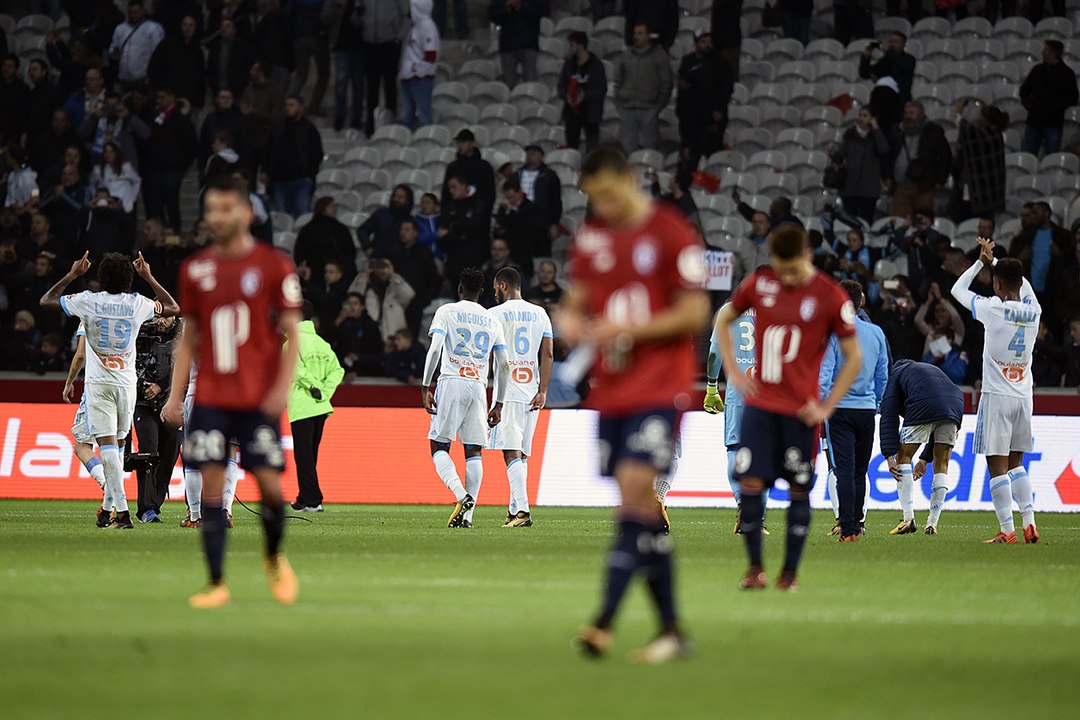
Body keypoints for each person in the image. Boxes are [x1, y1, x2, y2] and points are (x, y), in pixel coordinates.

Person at [560, 146, 709, 663]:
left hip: (660, 387)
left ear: (628, 178)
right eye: (592, 198)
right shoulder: (592, 238)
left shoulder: (671, 232)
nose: (602, 204)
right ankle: (671, 631)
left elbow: (694, 311)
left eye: (607, 193)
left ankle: (602, 622)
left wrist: (632, 329)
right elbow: (573, 304)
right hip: (611, 391)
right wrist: (570, 322)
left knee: (632, 493)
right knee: (641, 510)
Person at [161, 176, 303, 608]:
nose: (216, 218)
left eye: (225, 209)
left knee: (271, 488)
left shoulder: (276, 265)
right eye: (211, 210)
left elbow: (292, 333)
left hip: (257, 400)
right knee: (211, 490)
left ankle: (274, 557)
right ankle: (216, 582)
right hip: (209, 400)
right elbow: (189, 340)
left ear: (247, 213)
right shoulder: (194, 269)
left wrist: (281, 387)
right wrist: (174, 395)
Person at [714, 226, 861, 591]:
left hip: (800, 413)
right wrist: (732, 369)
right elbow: (723, 319)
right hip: (760, 408)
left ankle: (790, 574)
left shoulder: (830, 295)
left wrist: (828, 406)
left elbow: (853, 357)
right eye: (780, 269)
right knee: (749, 483)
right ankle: (754, 569)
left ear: (807, 256)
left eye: (792, 269)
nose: (786, 277)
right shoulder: (761, 284)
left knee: (799, 489)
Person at [39, 251, 180, 530]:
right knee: (115, 449)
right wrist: (148, 277)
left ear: (100, 278)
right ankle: (106, 510)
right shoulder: (137, 303)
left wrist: (73, 274)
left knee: (107, 449)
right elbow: (172, 307)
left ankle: (123, 514)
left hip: (100, 385)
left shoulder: (88, 301)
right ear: (130, 279)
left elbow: (46, 301)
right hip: (127, 386)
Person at [951, 239, 1041, 544]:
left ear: (998, 284)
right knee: (1017, 464)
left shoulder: (993, 308)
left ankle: (1007, 530)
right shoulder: (1035, 311)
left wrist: (982, 262)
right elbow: (1022, 285)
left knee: (997, 466)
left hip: (996, 396)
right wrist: (997, 264)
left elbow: (957, 291)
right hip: (1023, 395)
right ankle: (1029, 521)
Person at [422, 266, 509, 528]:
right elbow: (504, 364)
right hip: (479, 386)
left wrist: (426, 385)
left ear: (459, 289)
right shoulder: (492, 320)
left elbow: (436, 348)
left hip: (452, 381)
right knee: (473, 450)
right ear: (481, 292)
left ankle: (462, 497)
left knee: (438, 445)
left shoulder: (446, 311)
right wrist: (499, 403)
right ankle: (468, 518)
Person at [820, 280, 889, 541]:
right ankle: (858, 525)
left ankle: (847, 528)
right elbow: (883, 374)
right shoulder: (876, 333)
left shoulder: (834, 334)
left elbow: (824, 373)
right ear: (860, 302)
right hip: (866, 410)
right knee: (861, 471)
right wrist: (877, 400)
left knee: (844, 471)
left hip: (839, 409)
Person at [487, 267, 552, 527]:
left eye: (495, 289)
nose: (494, 293)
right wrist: (543, 390)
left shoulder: (494, 315)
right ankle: (514, 510)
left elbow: (489, 355)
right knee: (521, 454)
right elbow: (547, 355)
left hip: (508, 390)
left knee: (510, 451)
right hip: (532, 390)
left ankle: (523, 511)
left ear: (503, 285)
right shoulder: (541, 313)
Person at [704, 304, 772, 535]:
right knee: (763, 454)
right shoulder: (777, 306)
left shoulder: (729, 310)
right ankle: (758, 519)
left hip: (738, 392)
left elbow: (715, 352)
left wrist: (712, 388)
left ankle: (744, 505)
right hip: (769, 392)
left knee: (734, 448)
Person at [878, 359, 964, 535]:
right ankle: (932, 523)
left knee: (904, 457)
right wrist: (925, 459)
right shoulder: (926, 370)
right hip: (955, 403)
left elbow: (888, 416)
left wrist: (889, 455)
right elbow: (938, 411)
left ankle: (908, 518)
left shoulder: (894, 376)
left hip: (924, 401)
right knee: (942, 464)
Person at [287, 300, 345, 512]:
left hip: (302, 406)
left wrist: (313, 387)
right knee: (310, 456)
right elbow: (338, 371)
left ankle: (313, 500)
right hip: (320, 408)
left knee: (303, 457)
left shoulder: (291, 342)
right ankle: (304, 498)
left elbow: (294, 368)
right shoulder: (322, 344)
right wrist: (325, 393)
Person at [130, 312, 182, 524]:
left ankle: (155, 504)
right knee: (147, 454)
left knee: (169, 455)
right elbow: (128, 363)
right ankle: (146, 509)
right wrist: (141, 387)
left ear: (175, 318)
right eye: (157, 318)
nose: (160, 322)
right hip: (144, 404)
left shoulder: (184, 336)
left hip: (172, 405)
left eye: (165, 318)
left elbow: (184, 369)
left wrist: (161, 385)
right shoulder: (140, 333)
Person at [62, 323, 114, 525]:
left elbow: (81, 354)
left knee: (82, 446)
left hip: (97, 388)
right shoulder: (131, 311)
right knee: (114, 447)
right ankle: (113, 498)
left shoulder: (89, 312)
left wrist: (69, 382)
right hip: (125, 387)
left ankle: (109, 488)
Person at [676, 29, 732, 171]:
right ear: (696, 43)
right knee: (688, 154)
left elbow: (726, 88)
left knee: (711, 152)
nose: (707, 45)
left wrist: (719, 109)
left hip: (711, 116)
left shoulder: (720, 63)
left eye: (709, 42)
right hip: (690, 116)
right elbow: (682, 86)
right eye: (703, 42)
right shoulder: (687, 61)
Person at [143, 86, 197, 230]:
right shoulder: (154, 116)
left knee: (171, 205)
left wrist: (181, 164)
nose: (159, 100)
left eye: (162, 97)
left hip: (173, 169)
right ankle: (156, 238)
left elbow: (190, 145)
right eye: (158, 97)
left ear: (172, 97)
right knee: (155, 206)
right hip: (155, 169)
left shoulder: (181, 118)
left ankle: (173, 239)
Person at [614, 23, 673, 153]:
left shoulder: (659, 56)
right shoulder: (626, 55)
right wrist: (619, 100)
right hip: (627, 107)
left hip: (648, 108)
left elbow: (666, 83)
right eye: (634, 33)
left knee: (649, 147)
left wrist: (657, 106)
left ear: (648, 36)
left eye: (640, 33)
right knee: (627, 148)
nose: (636, 36)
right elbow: (618, 79)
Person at [887, 101, 951, 218]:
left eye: (912, 113)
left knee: (922, 223)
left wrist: (940, 180)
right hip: (900, 187)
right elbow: (889, 155)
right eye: (906, 113)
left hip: (924, 187)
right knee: (900, 223)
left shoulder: (933, 131)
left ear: (921, 115)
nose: (908, 116)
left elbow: (945, 156)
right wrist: (888, 176)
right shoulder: (896, 130)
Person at [1018, 40, 1079, 156]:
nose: (1042, 52)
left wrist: (1056, 107)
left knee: (1052, 156)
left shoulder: (1066, 73)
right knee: (1027, 154)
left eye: (1046, 50)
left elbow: (1073, 97)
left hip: (1053, 122)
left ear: (1053, 53)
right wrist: (1029, 105)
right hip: (1034, 120)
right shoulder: (1037, 70)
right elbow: (1024, 90)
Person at [830, 107, 889, 224]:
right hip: (849, 187)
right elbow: (840, 157)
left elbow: (884, 149)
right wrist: (832, 152)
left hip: (869, 189)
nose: (861, 118)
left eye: (865, 115)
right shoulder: (850, 134)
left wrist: (876, 128)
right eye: (860, 115)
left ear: (872, 118)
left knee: (866, 221)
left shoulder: (877, 135)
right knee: (850, 221)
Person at [951, 102, 1008, 222]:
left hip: (983, 193)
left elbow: (966, 128)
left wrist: (958, 114)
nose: (978, 120)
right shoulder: (993, 134)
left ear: (988, 120)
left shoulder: (992, 135)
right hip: (972, 190)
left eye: (981, 118)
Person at [360, 0, 407, 137]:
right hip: (369, 45)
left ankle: (390, 122)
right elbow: (355, 20)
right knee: (371, 87)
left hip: (390, 44)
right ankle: (370, 125)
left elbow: (406, 16)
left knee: (389, 85)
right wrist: (358, 16)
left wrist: (399, 38)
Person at [557, 32, 607, 153]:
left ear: (580, 45)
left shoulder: (596, 65)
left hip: (591, 112)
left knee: (592, 148)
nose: (570, 48)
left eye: (572, 45)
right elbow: (561, 86)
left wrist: (584, 96)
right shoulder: (569, 64)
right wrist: (567, 96)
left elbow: (602, 89)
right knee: (571, 147)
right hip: (571, 113)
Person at [399, 0, 440, 130]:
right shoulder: (415, 27)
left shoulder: (428, 27)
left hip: (420, 79)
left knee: (424, 116)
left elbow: (431, 56)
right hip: (408, 77)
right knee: (407, 115)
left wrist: (418, 72)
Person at [325, 0, 365, 132]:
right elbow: (324, 18)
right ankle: (339, 115)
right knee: (341, 82)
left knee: (358, 84)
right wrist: (336, 11)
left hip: (360, 46)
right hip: (341, 46)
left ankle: (356, 118)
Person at [108, 0, 165, 92]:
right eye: (130, 12)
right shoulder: (120, 28)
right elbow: (112, 50)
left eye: (136, 12)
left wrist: (152, 75)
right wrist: (114, 53)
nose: (133, 15)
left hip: (143, 79)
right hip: (123, 78)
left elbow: (158, 54)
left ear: (143, 11)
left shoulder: (153, 28)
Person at [493, 177, 543, 280]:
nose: (510, 200)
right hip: (506, 256)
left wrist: (511, 212)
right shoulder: (503, 208)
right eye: (507, 197)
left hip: (523, 254)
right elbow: (499, 226)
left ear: (519, 193)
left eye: (512, 197)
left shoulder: (530, 207)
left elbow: (528, 229)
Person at [287, 0, 331, 116]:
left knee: (301, 75)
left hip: (299, 37)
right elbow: (326, 17)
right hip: (318, 38)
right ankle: (314, 107)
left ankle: (288, 103)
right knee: (323, 74)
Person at [516, 145, 562, 251]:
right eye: (528, 154)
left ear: (541, 156)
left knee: (541, 251)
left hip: (540, 220)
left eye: (533, 154)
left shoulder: (549, 175)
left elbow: (555, 201)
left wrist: (554, 223)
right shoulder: (518, 173)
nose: (529, 156)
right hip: (521, 217)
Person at [488, 0, 543, 87]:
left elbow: (539, 12)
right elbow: (493, 15)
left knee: (530, 81)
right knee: (509, 83)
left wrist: (521, 6)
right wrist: (507, 7)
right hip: (507, 44)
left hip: (528, 43)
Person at [859, 32, 915, 103]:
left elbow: (901, 66)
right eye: (890, 42)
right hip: (885, 100)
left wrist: (888, 51)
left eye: (896, 42)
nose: (892, 45)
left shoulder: (909, 59)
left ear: (903, 45)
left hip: (900, 101)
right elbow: (864, 73)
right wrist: (866, 58)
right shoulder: (885, 60)